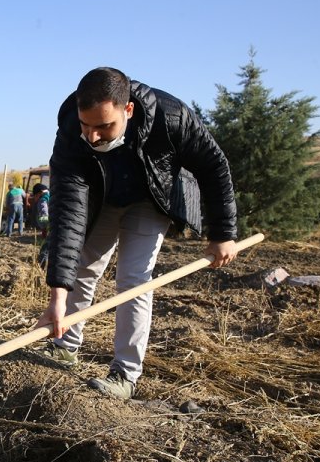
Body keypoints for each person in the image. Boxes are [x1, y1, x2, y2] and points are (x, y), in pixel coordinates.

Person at [35, 67, 238, 400]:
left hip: (151, 198)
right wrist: (56, 297)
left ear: (128, 110)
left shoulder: (172, 117)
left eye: (104, 127)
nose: (93, 137)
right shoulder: (72, 133)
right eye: (86, 125)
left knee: (134, 279)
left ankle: (124, 374)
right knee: (84, 267)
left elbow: (213, 164)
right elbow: (68, 213)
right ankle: (64, 346)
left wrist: (223, 233)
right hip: (102, 198)